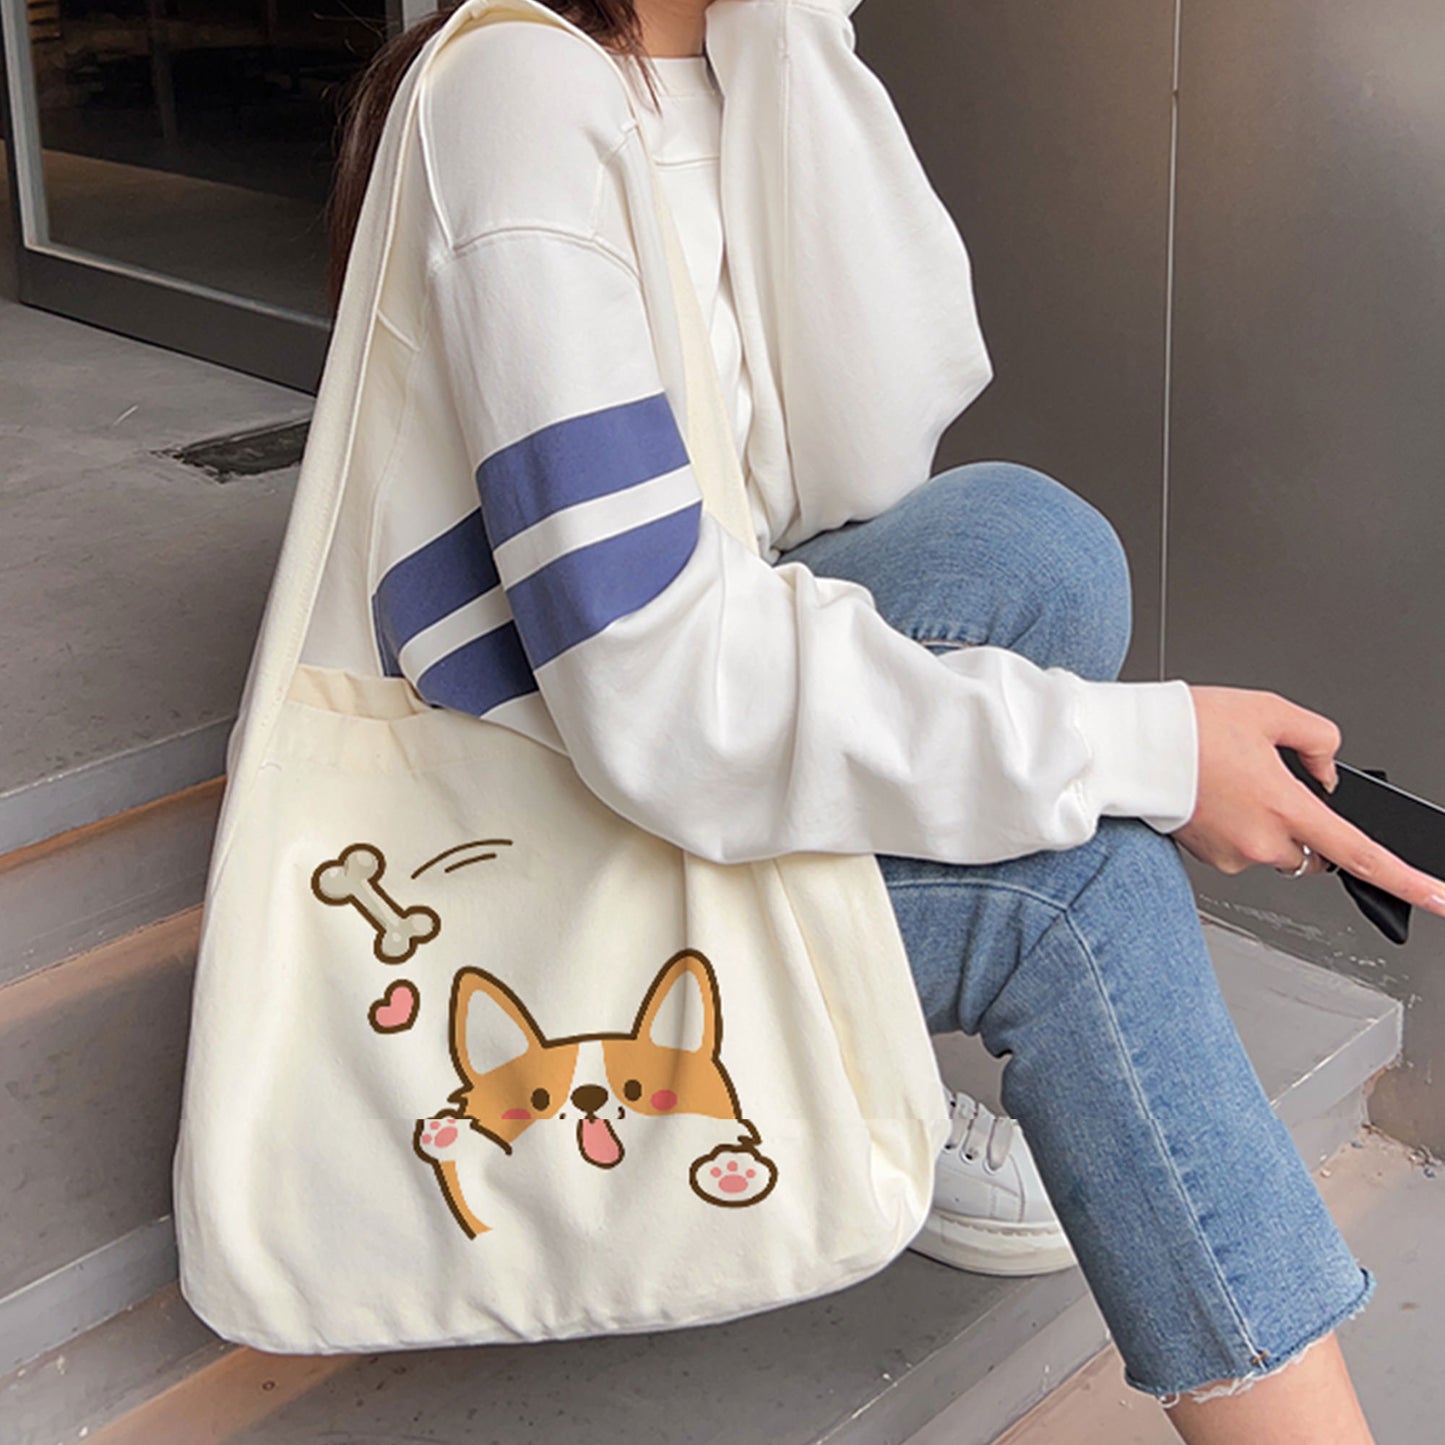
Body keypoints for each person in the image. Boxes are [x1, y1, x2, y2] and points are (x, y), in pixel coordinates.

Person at [324, 1, 1444, 1438]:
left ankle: (846, 1045)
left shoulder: (716, 56)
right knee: (1079, 895)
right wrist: (1148, 755)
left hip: (628, 706)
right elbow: (660, 690)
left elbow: (853, 460)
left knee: (1036, 549)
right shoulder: (521, 97)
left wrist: (788, 48)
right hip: (522, 831)